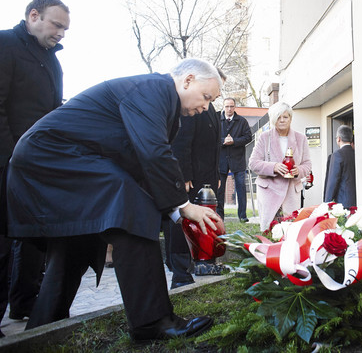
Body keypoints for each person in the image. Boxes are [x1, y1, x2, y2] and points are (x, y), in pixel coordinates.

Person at [4, 58, 223, 341]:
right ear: (188, 79)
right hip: (51, 156)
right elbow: (153, 153)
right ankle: (153, 322)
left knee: (77, 238)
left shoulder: (160, 99)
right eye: (206, 97)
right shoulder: (155, 88)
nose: (206, 107)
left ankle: (44, 328)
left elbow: (140, 167)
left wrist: (174, 214)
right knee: (132, 210)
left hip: (47, 157)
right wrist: (184, 206)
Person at [0, 0, 70, 333]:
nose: (62, 34)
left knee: (32, 236)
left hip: (36, 167)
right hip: (6, 162)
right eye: (57, 25)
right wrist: (11, 156)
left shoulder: (53, 61)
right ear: (33, 16)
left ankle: (24, 303)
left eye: (65, 29)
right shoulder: (5, 45)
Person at [164, 69, 227, 284]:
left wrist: (216, 173)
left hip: (207, 175)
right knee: (182, 219)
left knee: (205, 220)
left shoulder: (210, 108)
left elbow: (214, 146)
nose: (216, 95)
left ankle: (204, 258)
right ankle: (180, 267)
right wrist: (185, 173)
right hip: (191, 176)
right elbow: (182, 139)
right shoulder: (192, 104)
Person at [249, 102, 312, 231]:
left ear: (291, 118)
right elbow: (253, 163)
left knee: (290, 231)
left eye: (285, 117)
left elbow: (307, 164)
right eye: (278, 117)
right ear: (273, 119)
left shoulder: (301, 139)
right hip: (269, 192)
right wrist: (274, 167)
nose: (282, 120)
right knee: (270, 232)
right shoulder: (264, 137)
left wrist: (298, 171)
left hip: (291, 193)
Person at [217, 97, 252, 223]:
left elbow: (248, 137)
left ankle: (242, 215)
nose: (229, 109)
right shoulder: (217, 119)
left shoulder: (242, 121)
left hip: (238, 160)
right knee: (219, 190)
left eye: (231, 106)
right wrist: (223, 141)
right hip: (221, 160)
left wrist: (234, 141)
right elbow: (211, 138)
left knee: (241, 188)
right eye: (227, 106)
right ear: (223, 107)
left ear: (235, 107)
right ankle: (219, 216)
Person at [324, 125, 357, 209]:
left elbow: (332, 181)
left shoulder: (337, 155)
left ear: (339, 138)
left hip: (342, 203)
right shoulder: (356, 154)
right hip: (357, 201)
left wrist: (326, 203)